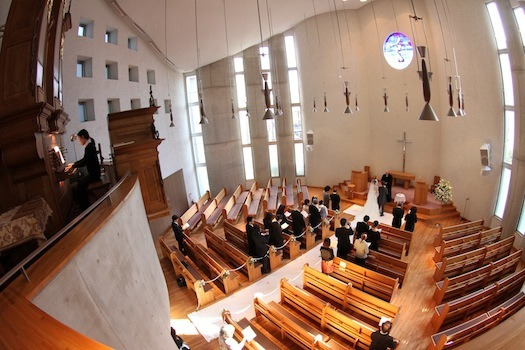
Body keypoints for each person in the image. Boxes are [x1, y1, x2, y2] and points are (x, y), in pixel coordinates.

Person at [72, 129, 101, 210]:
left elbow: (85, 161)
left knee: (80, 186)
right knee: (80, 184)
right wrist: (75, 164)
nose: (79, 141)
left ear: (83, 137)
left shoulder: (89, 147)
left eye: (79, 139)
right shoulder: (89, 146)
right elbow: (84, 159)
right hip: (94, 173)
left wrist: (74, 165)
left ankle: (84, 207)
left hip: (94, 175)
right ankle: (85, 205)